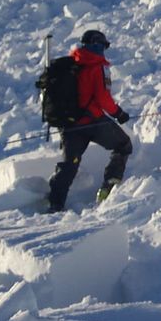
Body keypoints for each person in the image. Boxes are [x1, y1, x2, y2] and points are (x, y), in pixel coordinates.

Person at [46, 29, 133, 212]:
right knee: (123, 145)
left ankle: (55, 203)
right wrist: (118, 113)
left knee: (70, 164)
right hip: (93, 122)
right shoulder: (97, 66)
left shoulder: (72, 64)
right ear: (98, 44)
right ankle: (108, 189)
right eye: (104, 45)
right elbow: (102, 97)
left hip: (69, 125)